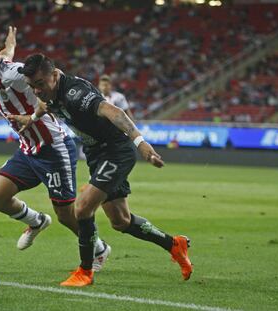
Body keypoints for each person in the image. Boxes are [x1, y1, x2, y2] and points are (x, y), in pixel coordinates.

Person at [11, 53, 193, 287]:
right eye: (32, 86)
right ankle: (174, 245)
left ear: (55, 75)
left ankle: (85, 271)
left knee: (83, 208)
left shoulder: (76, 94)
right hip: (97, 154)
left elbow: (115, 112)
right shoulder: (49, 93)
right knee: (121, 221)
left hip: (116, 151)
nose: (36, 91)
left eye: (40, 84)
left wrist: (141, 144)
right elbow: (45, 105)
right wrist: (31, 118)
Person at [0, 28, 110, 270]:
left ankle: (99, 249)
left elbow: (50, 88)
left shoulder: (12, 74)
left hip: (54, 147)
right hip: (28, 149)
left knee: (66, 215)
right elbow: (7, 52)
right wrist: (10, 41)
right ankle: (37, 221)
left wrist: (32, 117)